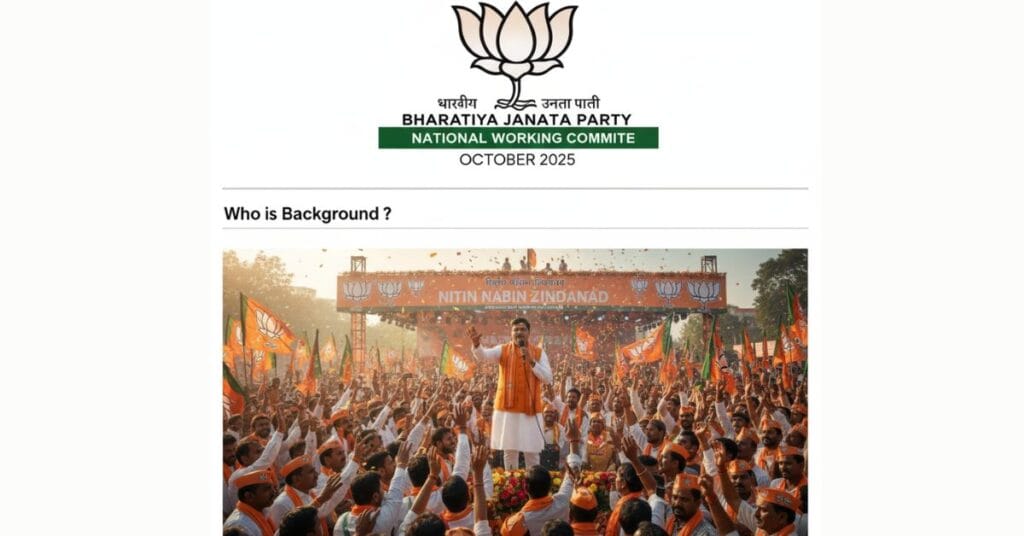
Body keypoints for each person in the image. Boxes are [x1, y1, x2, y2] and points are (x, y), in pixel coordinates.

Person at [468, 318, 553, 470]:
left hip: (530, 409)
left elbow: (548, 378)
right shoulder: (503, 350)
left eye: (522, 329)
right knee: (510, 451)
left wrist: (532, 361)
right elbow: (483, 356)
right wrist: (476, 344)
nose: (519, 332)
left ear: (529, 333)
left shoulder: (539, 353)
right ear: (511, 333)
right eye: (516, 330)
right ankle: (511, 486)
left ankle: (534, 486)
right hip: (508, 409)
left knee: (532, 451)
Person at [333, 441, 413, 536]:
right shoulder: (380, 520)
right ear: (375, 497)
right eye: (382, 489)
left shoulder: (341, 521)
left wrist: (401, 465)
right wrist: (401, 464)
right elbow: (395, 493)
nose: (385, 492)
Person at [267, 455, 348, 530]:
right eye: (311, 472)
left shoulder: (311, 494)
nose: (316, 475)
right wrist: (321, 499)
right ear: (296, 479)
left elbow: (324, 511)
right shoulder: (281, 504)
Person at [224, 469, 278, 536]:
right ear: (249, 496)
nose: (274, 492)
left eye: (272, 487)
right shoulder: (239, 525)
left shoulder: (264, 510)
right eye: (267, 489)